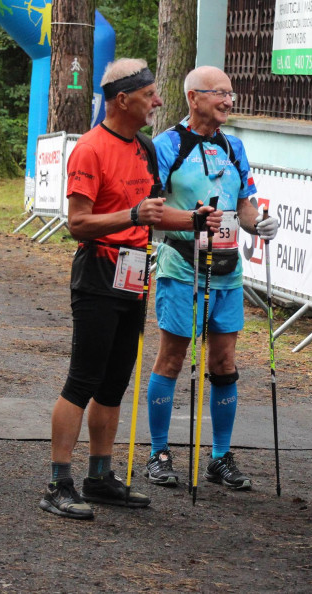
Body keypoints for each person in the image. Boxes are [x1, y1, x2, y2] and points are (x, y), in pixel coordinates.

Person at [39, 58, 221, 520]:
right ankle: (58, 483)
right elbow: (78, 224)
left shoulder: (143, 147)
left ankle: (99, 476)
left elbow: (154, 213)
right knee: (83, 379)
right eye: (150, 95)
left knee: (116, 383)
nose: (159, 102)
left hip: (136, 274)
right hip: (99, 272)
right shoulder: (89, 149)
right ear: (123, 100)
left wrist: (195, 220)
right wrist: (131, 217)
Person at [142, 65, 279, 491]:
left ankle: (220, 457)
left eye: (230, 93)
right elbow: (150, 207)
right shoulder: (166, 145)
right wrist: (188, 222)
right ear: (193, 98)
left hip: (227, 271)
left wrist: (259, 224)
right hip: (182, 267)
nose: (227, 101)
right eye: (218, 93)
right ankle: (159, 452)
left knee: (223, 362)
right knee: (173, 358)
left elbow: (246, 205)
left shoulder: (234, 146)